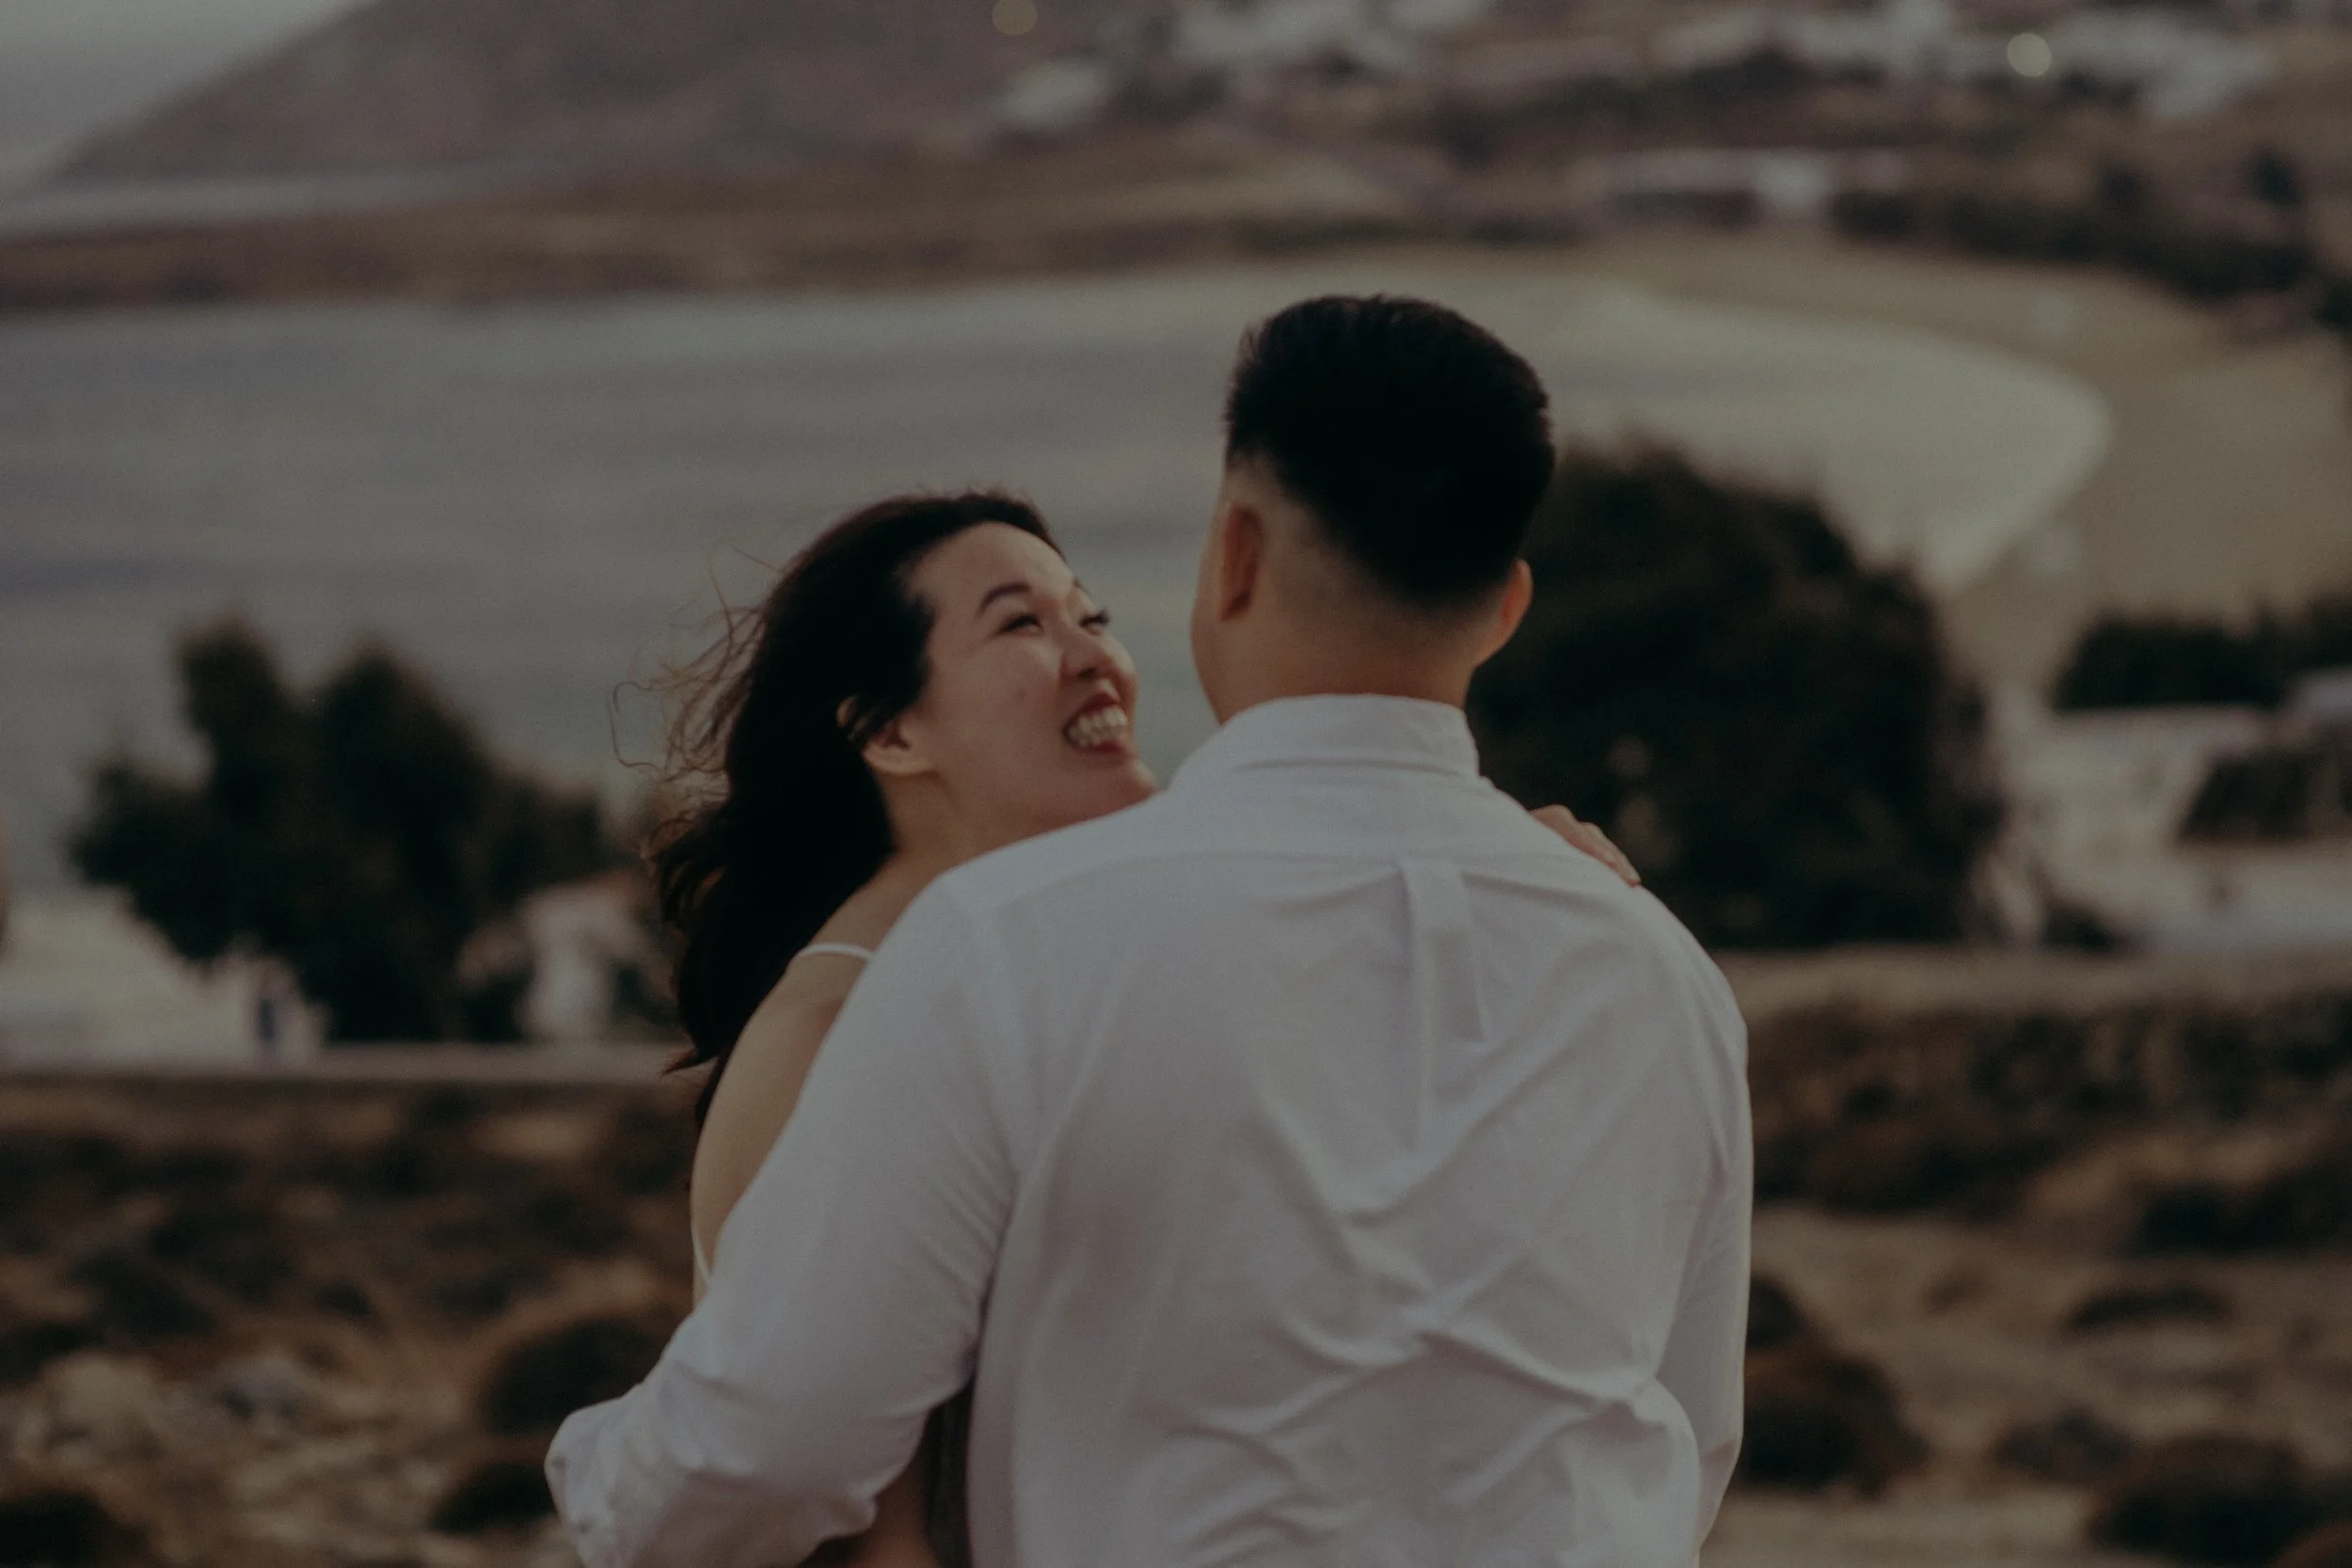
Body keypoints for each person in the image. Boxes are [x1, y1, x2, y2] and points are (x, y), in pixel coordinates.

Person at [549, 295, 1751, 1568]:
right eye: (1024, 622)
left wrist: (588, 1467)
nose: (1089, 655)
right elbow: (1679, 1442)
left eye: (1088, 614)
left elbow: (772, 1444)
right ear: (1505, 607)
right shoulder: (1658, 970)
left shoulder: (1009, 952)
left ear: (1235, 555)